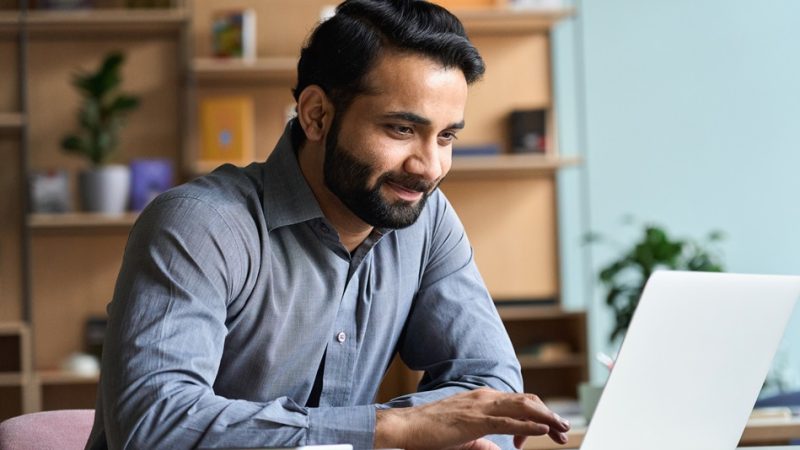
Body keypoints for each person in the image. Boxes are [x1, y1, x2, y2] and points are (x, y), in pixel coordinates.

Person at [86, 1, 571, 449]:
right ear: (316, 115)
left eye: (445, 136)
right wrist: (391, 429)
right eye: (402, 129)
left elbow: (492, 384)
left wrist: (442, 433)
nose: (429, 167)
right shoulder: (200, 225)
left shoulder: (427, 218)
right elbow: (155, 424)